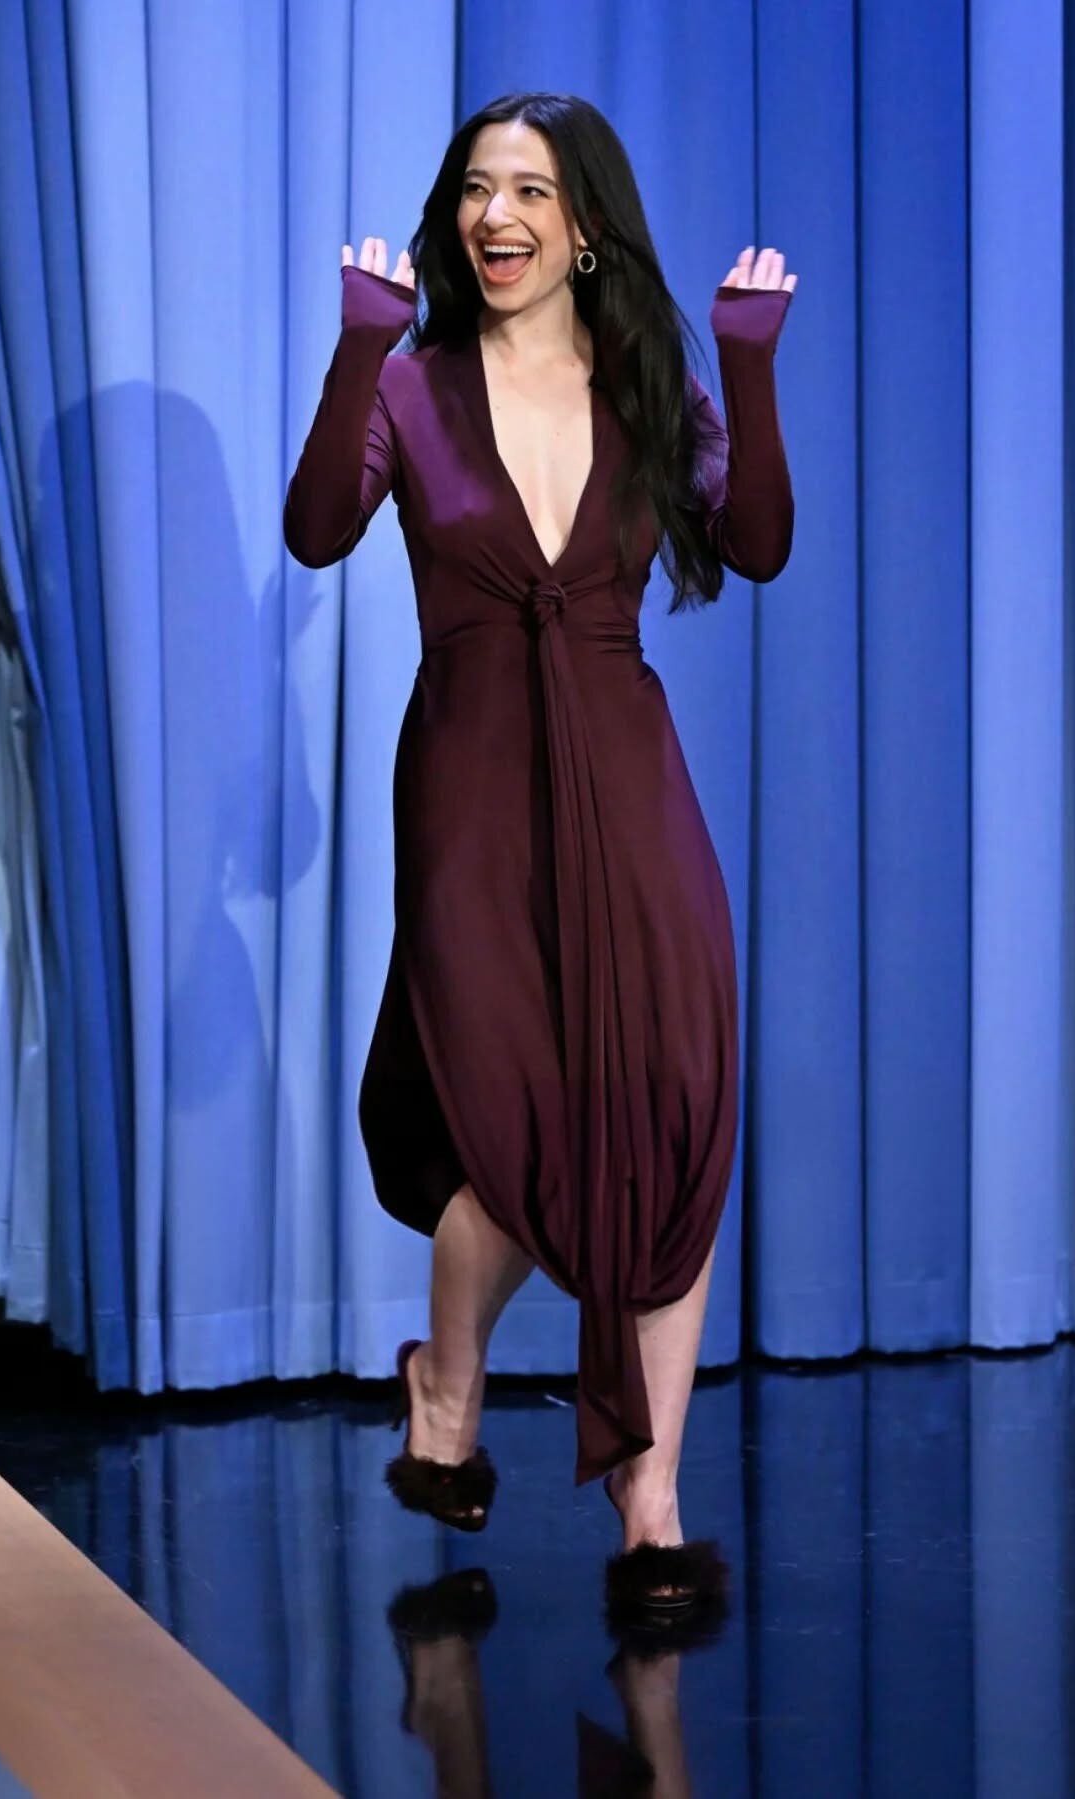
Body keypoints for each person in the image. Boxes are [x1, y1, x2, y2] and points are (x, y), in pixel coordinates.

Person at [284, 92, 795, 1624]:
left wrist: (749, 369)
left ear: (584, 228)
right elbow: (317, 531)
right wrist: (359, 347)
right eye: (474, 189)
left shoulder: (651, 388)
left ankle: (653, 1502)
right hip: (471, 795)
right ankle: (447, 1381)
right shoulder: (414, 381)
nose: (492, 215)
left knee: (672, 1110)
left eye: (527, 190)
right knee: (514, 1125)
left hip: (630, 783)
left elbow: (755, 544)